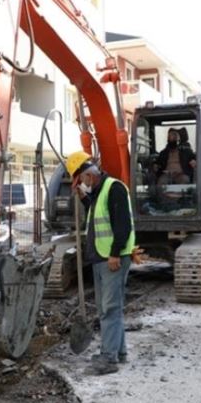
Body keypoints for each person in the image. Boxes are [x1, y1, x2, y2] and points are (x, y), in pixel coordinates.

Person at [65, 150, 135, 375]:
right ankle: (119, 352)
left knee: (109, 309)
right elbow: (96, 214)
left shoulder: (114, 188)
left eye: (81, 180)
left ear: (88, 175)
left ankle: (108, 358)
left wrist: (115, 253)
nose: (82, 184)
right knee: (111, 309)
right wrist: (85, 198)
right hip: (99, 257)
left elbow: (122, 224)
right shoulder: (98, 192)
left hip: (110, 259)